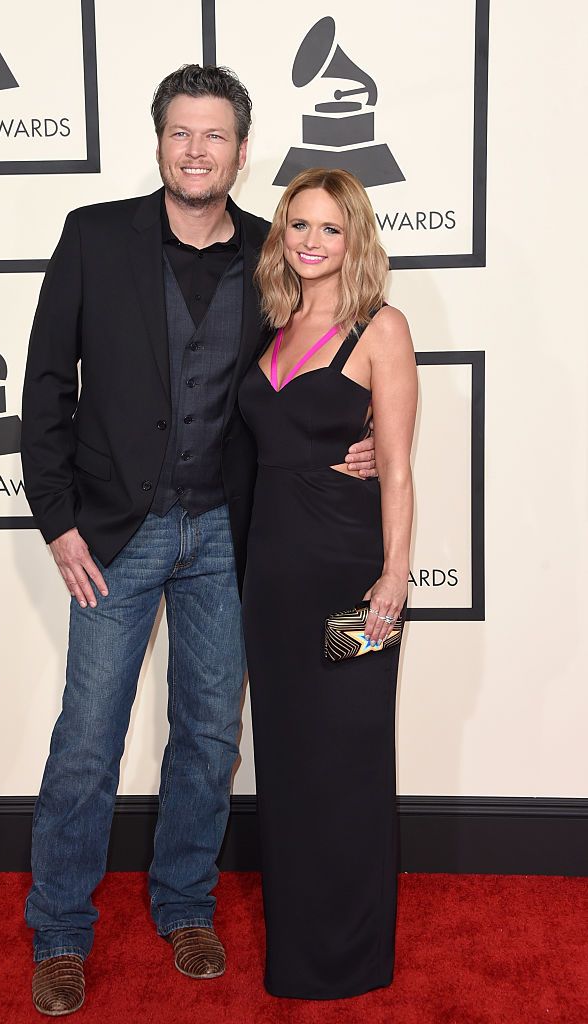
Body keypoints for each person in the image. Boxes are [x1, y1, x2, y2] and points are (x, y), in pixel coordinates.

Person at [20, 67, 377, 1016]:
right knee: (88, 740)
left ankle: (185, 902)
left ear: (241, 150)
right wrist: (56, 520)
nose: (196, 151)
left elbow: (325, 357)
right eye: (181, 134)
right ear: (159, 142)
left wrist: (368, 434)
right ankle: (58, 930)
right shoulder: (94, 236)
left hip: (229, 531)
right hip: (112, 534)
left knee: (211, 734)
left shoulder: (274, 251)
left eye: (214, 136)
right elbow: (47, 385)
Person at [238, 167, 417, 999]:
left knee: (347, 762)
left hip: (350, 579)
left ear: (356, 240)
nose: (311, 242)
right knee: (289, 764)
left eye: (329, 229)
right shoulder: (271, 327)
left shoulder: (382, 329)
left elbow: (398, 472)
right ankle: (297, 953)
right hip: (269, 580)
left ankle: (352, 958)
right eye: (299, 225)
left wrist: (394, 578)